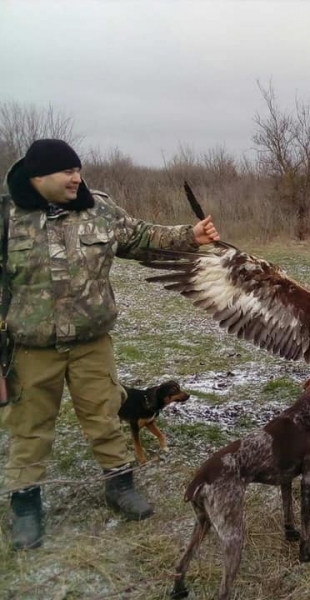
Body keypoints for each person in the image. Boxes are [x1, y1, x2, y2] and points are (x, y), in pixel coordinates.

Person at [1, 139, 220, 551]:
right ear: (38, 176)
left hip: (91, 342)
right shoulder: (8, 215)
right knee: (29, 427)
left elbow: (140, 236)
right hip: (31, 347)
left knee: (105, 414)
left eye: (78, 170)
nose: (76, 178)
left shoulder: (98, 208)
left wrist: (189, 235)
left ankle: (119, 484)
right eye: (67, 171)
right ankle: (25, 504)